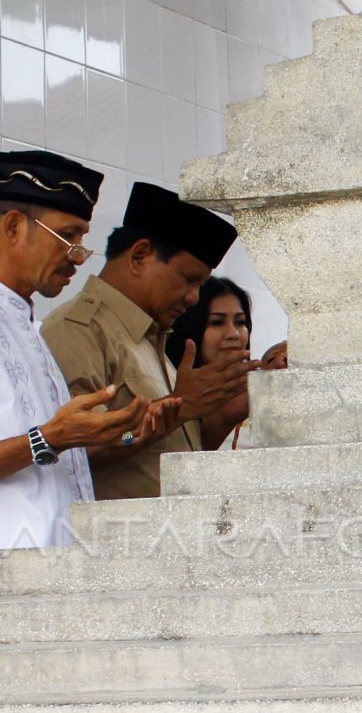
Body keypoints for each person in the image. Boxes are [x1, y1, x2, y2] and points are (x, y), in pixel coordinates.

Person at [0, 150, 178, 605]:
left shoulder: (22, 323)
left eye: (82, 238)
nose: (79, 256)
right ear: (13, 227)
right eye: (67, 237)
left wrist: (110, 435)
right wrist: (48, 439)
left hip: (39, 595)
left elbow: (43, 453)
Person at [43, 182, 257, 500]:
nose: (193, 298)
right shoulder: (78, 330)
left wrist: (222, 415)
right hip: (111, 541)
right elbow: (75, 452)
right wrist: (179, 409)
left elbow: (165, 456)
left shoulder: (149, 340)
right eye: (189, 280)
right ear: (140, 256)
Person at [165, 276, 288, 449]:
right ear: (190, 327)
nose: (234, 334)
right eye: (217, 322)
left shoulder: (256, 396)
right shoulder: (164, 385)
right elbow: (128, 439)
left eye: (241, 322)